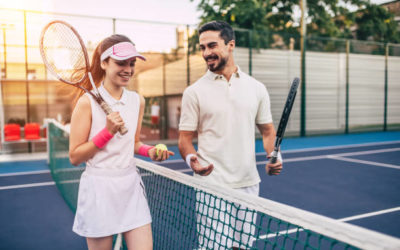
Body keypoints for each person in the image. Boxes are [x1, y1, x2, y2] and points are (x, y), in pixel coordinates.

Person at [178, 21, 283, 249]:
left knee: (241, 247)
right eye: (202, 47)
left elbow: (267, 132)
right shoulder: (193, 92)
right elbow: (184, 139)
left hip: (247, 184)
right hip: (210, 185)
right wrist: (191, 160)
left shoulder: (257, 88)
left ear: (230, 44)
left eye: (212, 45)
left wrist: (274, 155)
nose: (206, 53)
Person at [69, 34, 173, 250]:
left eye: (132, 63)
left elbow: (133, 144)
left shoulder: (138, 101)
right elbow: (75, 156)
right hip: (99, 190)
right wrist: (106, 133)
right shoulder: (86, 103)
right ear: (104, 63)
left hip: (130, 187)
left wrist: (150, 151)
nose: (128, 69)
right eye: (121, 62)